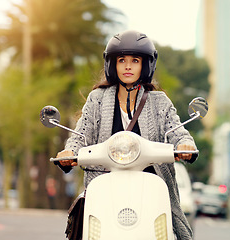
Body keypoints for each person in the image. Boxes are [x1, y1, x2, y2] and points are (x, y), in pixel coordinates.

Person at [56, 30, 197, 240]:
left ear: (146, 65)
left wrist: (185, 145)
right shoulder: (97, 99)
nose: (128, 66)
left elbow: (177, 130)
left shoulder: (160, 102)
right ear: (112, 65)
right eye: (122, 60)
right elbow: (81, 133)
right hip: (105, 183)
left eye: (135, 60)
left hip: (150, 183)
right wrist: (69, 151)